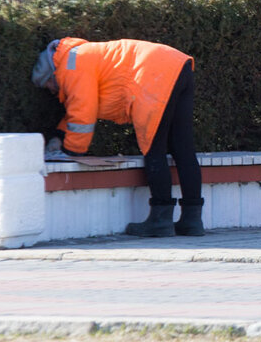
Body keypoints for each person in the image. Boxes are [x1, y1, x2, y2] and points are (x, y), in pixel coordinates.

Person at [32, 38, 204, 237]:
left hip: (152, 71)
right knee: (182, 147)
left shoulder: (72, 66)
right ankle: (192, 220)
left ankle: (160, 220)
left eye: (48, 86)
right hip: (175, 64)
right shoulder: (79, 57)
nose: (52, 92)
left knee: (153, 148)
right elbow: (79, 109)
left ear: (53, 74)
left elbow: (82, 114)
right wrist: (60, 136)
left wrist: (71, 152)